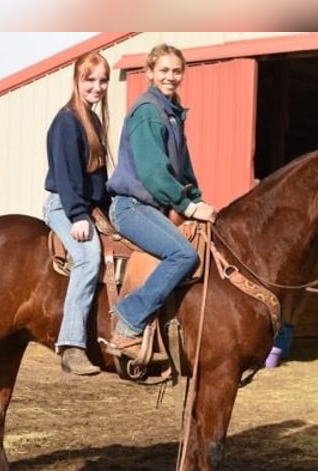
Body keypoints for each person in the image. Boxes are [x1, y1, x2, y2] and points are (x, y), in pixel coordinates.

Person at [106, 43, 218, 357]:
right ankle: (128, 321)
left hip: (152, 207)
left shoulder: (171, 112)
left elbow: (184, 169)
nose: (171, 77)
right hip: (132, 206)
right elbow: (155, 173)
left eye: (176, 71)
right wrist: (188, 206)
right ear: (150, 72)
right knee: (183, 255)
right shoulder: (148, 111)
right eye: (164, 70)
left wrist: (198, 199)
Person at [43, 51, 112, 376]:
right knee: (88, 257)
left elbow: (99, 180)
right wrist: (78, 215)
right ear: (77, 80)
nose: (97, 87)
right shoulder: (66, 122)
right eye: (90, 80)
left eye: (102, 80)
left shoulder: (93, 120)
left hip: (90, 206)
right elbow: (68, 177)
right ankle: (71, 345)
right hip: (64, 204)